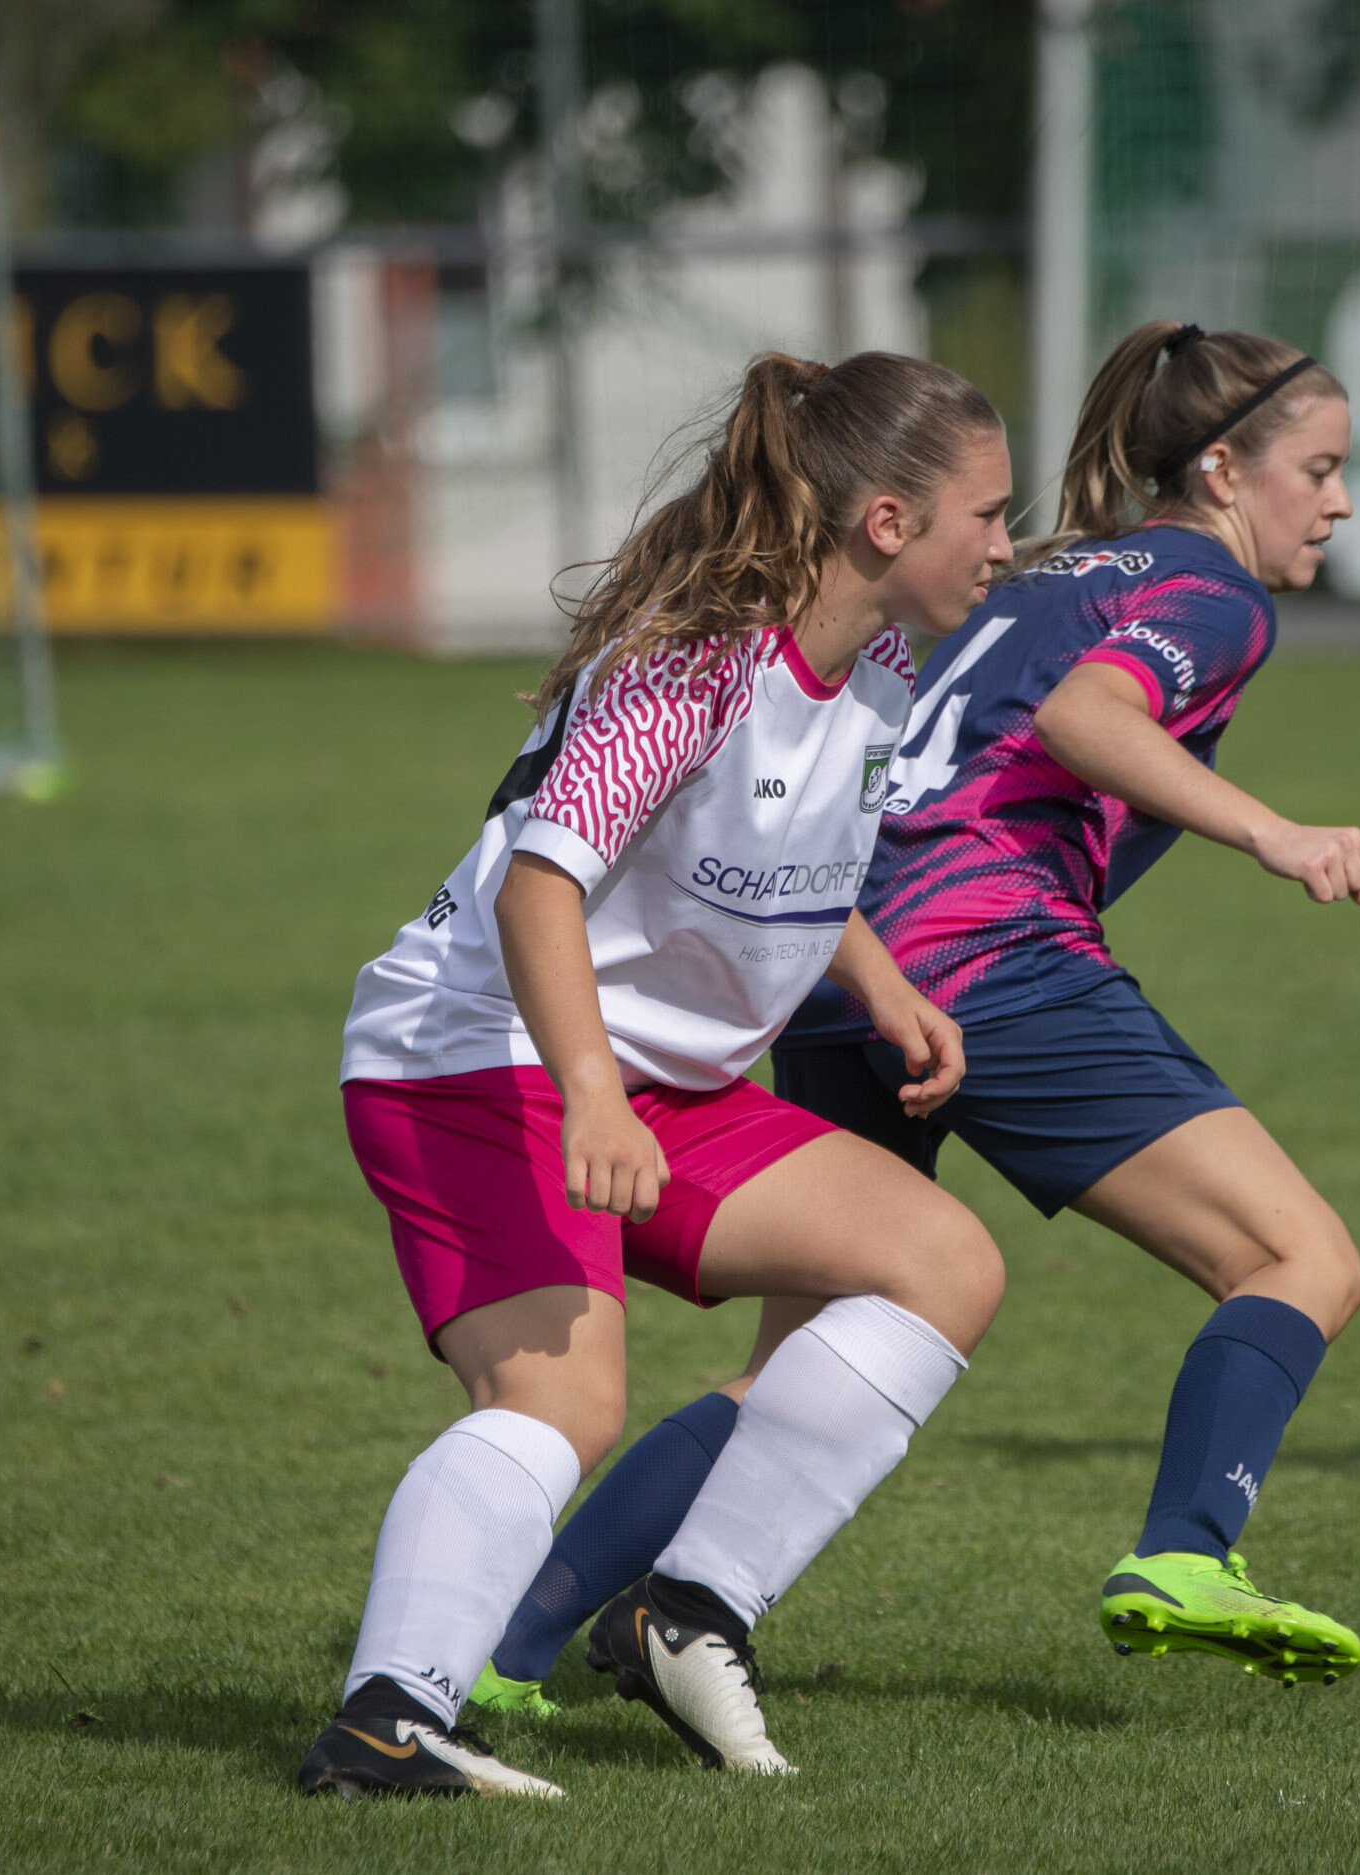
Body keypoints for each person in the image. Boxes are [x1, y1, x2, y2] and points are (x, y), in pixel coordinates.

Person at [468, 318, 1360, 1716]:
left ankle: (510, 1650)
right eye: (1317, 470)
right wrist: (1276, 832)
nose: (1339, 501)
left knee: (799, 1365)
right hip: (991, 953)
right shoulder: (1210, 588)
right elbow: (1085, 718)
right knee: (1299, 1256)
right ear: (1219, 471)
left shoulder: (1053, 565)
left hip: (845, 964)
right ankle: (1189, 1553)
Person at [297, 349, 1016, 1796]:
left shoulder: (879, 668)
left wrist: (880, 981)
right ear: (887, 522)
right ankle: (387, 1721)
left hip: (647, 1077)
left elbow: (784, 860)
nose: (1008, 545)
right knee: (566, 1407)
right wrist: (590, 1094)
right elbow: (540, 886)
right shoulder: (698, 668)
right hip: (476, 1047)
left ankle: (688, 1612)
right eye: (989, 515)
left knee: (943, 1263)